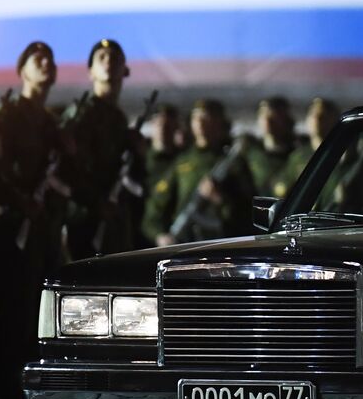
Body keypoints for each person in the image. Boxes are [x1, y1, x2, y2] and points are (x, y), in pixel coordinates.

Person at [0, 41, 64, 399]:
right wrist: (22, 202)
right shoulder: (8, 115)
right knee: (14, 322)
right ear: (21, 70)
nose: (46, 64)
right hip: (14, 232)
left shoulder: (49, 123)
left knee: (39, 323)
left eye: (50, 59)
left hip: (41, 234)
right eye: (37, 59)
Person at [62, 39, 140, 259]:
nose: (109, 62)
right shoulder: (81, 113)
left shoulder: (119, 119)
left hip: (111, 217)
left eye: (115, 58)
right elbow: (68, 168)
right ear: (91, 72)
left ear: (125, 70)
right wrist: (96, 203)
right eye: (101, 58)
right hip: (85, 217)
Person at [145, 99, 255, 246]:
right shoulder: (182, 161)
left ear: (220, 123)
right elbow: (155, 208)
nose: (201, 123)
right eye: (197, 118)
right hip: (184, 241)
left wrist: (221, 200)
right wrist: (159, 235)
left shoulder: (234, 163)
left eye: (207, 118)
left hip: (223, 242)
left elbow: (249, 213)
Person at [275, 97, 340, 198]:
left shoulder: (344, 153)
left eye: (322, 116)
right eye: (313, 115)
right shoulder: (299, 156)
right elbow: (282, 188)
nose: (316, 119)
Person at [244, 96, 296, 201]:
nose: (268, 119)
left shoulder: (298, 152)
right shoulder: (250, 151)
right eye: (263, 114)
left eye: (274, 115)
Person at [145, 103, 183, 194]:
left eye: (168, 127)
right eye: (159, 125)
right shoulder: (142, 156)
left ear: (176, 127)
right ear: (152, 125)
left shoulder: (182, 158)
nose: (162, 131)